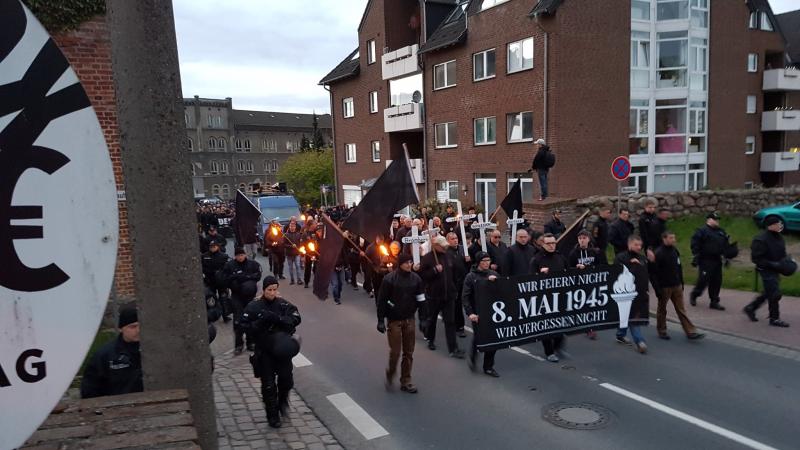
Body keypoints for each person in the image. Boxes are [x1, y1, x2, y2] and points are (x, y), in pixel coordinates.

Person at [240, 276, 301, 428]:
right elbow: (243, 325)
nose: (272, 293)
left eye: (275, 289)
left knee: (286, 381)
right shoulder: (254, 306)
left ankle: (282, 403)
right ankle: (272, 415)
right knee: (268, 386)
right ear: (264, 290)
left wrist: (278, 319)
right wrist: (259, 322)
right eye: (269, 290)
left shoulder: (283, 304)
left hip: (281, 351)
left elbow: (295, 318)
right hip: (264, 351)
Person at [377, 253, 427, 393]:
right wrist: (381, 319)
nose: (409, 264)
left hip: (409, 319)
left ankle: (406, 380)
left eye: (410, 262)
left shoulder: (416, 279)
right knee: (395, 352)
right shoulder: (389, 279)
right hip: (394, 321)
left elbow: (421, 299)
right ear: (400, 264)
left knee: (409, 352)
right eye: (406, 262)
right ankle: (390, 373)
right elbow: (382, 300)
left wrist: (423, 318)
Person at [81, 305, 143, 398]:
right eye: (133, 327)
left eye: (141, 326)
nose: (138, 330)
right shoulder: (105, 355)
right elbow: (90, 388)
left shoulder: (156, 350)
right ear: (121, 328)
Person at [419, 235, 465, 358]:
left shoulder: (448, 256)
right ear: (436, 246)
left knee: (450, 322)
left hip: (448, 296)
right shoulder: (427, 258)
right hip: (433, 296)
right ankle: (430, 340)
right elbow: (422, 275)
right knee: (432, 319)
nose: (445, 248)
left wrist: (454, 289)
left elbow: (455, 272)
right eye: (443, 246)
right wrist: (434, 270)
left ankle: (453, 348)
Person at [653, 232, 705, 340]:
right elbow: (654, 273)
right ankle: (662, 330)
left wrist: (681, 282)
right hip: (665, 286)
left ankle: (690, 331)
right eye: (671, 238)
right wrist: (657, 289)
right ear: (664, 239)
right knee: (662, 310)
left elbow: (679, 267)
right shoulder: (658, 253)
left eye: (674, 238)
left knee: (681, 309)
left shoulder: (674, 251)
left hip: (676, 285)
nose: (673, 240)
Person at [745, 216, 792, 327]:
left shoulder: (779, 237)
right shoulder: (760, 239)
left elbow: (782, 253)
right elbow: (756, 259)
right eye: (778, 224)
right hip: (765, 269)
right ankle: (774, 318)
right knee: (775, 293)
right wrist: (772, 264)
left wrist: (787, 262)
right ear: (771, 226)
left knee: (769, 292)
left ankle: (751, 307)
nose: (780, 226)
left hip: (776, 269)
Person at [529, 233, 567, 362]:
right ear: (543, 244)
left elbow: (568, 272)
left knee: (560, 325)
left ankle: (557, 347)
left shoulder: (560, 256)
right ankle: (549, 351)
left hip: (560, 296)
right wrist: (539, 274)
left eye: (553, 243)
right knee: (546, 326)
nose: (551, 246)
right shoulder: (537, 259)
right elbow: (530, 280)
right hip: (544, 298)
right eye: (549, 244)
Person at [462, 252, 500, 377]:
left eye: (488, 260)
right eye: (483, 261)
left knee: (493, 339)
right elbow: (466, 297)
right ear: (478, 262)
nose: (486, 263)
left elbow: (503, 291)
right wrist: (470, 313)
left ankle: (488, 366)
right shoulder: (471, 277)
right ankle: (473, 357)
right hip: (478, 313)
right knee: (479, 337)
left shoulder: (494, 274)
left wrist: (496, 283)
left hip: (493, 312)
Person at [614, 236, 651, 354]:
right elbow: (617, 274)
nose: (639, 247)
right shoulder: (621, 257)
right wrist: (631, 266)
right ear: (629, 244)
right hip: (625, 294)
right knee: (632, 318)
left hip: (639, 293)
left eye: (640, 245)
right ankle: (640, 341)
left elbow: (646, 275)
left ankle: (620, 333)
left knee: (630, 316)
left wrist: (646, 289)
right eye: (636, 245)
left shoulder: (643, 259)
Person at [223, 247, 262, 354]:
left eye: (242, 255)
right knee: (238, 320)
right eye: (238, 255)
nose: (240, 257)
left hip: (249, 296)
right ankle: (239, 345)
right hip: (236, 296)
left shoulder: (252, 264)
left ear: (245, 255)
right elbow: (225, 279)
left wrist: (245, 277)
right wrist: (235, 278)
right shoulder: (230, 265)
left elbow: (258, 276)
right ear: (235, 256)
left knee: (251, 318)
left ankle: (251, 342)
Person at [689, 212, 729, 310]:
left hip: (717, 259)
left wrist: (727, 256)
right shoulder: (702, 231)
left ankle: (714, 301)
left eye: (717, 219)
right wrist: (696, 255)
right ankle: (695, 294)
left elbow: (725, 245)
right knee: (703, 280)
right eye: (715, 219)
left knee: (716, 281)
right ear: (709, 220)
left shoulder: (721, 232)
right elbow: (695, 243)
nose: (717, 221)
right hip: (705, 259)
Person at [446, 232, 470, 338]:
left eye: (456, 238)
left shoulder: (462, 248)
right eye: (452, 239)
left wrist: (468, 260)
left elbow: (469, 265)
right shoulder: (445, 252)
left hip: (464, 281)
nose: (455, 240)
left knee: (466, 303)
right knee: (456, 306)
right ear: (447, 241)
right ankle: (459, 327)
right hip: (452, 283)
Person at [201, 241, 232, 322]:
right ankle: (212, 316)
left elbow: (228, 268)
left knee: (223, 299)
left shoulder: (224, 256)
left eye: (214, 246)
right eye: (211, 246)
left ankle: (225, 316)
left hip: (221, 282)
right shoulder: (204, 256)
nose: (212, 248)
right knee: (211, 300)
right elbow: (201, 267)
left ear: (218, 247)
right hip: (209, 281)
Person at [283, 221, 303, 285]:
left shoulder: (298, 234)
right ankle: (292, 280)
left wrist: (299, 247)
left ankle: (299, 279)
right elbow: (283, 244)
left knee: (298, 266)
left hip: (297, 253)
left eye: (293, 226)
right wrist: (291, 246)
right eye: (291, 226)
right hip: (289, 254)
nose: (292, 227)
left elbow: (301, 244)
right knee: (290, 267)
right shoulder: (286, 235)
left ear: (295, 227)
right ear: (289, 227)